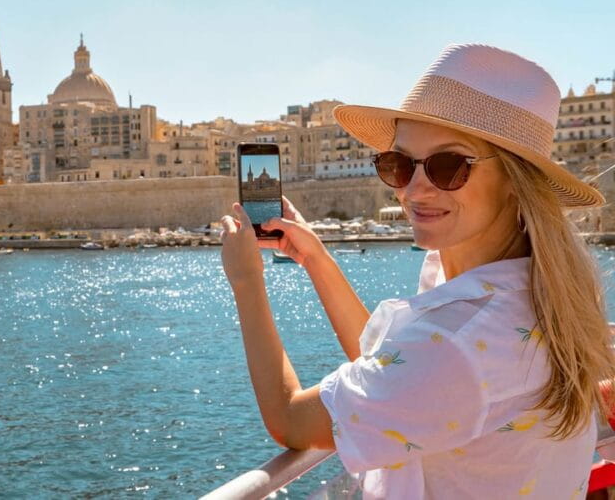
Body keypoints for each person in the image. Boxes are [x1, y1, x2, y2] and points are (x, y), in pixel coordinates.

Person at [219, 44, 615, 499]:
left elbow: (290, 420)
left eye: (449, 166)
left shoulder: (455, 342)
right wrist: (316, 261)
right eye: (400, 164)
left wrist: (247, 282)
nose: (413, 189)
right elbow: (398, 372)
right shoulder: (535, 297)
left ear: (514, 180)